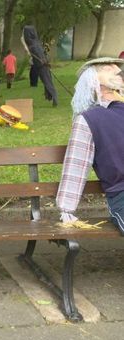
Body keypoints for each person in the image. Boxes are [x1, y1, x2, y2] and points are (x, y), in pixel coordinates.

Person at [56, 57, 124, 235]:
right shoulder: (88, 120)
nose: (115, 68)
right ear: (92, 79)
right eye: (106, 68)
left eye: (116, 66)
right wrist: (66, 209)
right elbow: (76, 166)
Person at [21, 25, 58, 106]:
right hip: (41, 64)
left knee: (47, 81)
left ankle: (54, 98)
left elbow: (40, 55)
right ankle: (50, 97)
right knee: (47, 81)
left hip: (42, 65)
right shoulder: (35, 43)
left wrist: (44, 62)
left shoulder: (34, 45)